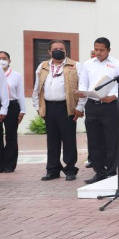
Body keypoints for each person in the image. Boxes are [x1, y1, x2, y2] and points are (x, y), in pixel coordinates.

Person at [76, 37, 119, 184]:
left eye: (101, 50)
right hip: (92, 105)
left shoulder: (117, 65)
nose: (98, 52)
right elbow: (83, 83)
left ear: (108, 50)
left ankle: (111, 171)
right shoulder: (87, 64)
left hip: (109, 106)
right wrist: (83, 94)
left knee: (111, 139)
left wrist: (114, 97)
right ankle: (99, 172)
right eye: (96, 49)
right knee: (94, 140)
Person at [32, 41, 81, 181]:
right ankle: (52, 169)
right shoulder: (43, 66)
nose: (59, 51)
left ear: (66, 51)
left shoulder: (75, 65)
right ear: (49, 52)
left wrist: (80, 107)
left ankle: (70, 169)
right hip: (49, 106)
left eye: (61, 49)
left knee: (69, 139)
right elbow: (37, 87)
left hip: (67, 107)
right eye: (55, 49)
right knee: (52, 140)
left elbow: (81, 86)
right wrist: (37, 106)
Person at [0, 51, 25, 173]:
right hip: (0, 104)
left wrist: (23, 109)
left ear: (9, 60)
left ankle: (9, 164)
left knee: (11, 136)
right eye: (0, 58)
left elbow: (20, 93)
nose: (2, 60)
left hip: (12, 105)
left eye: (4, 58)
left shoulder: (16, 75)